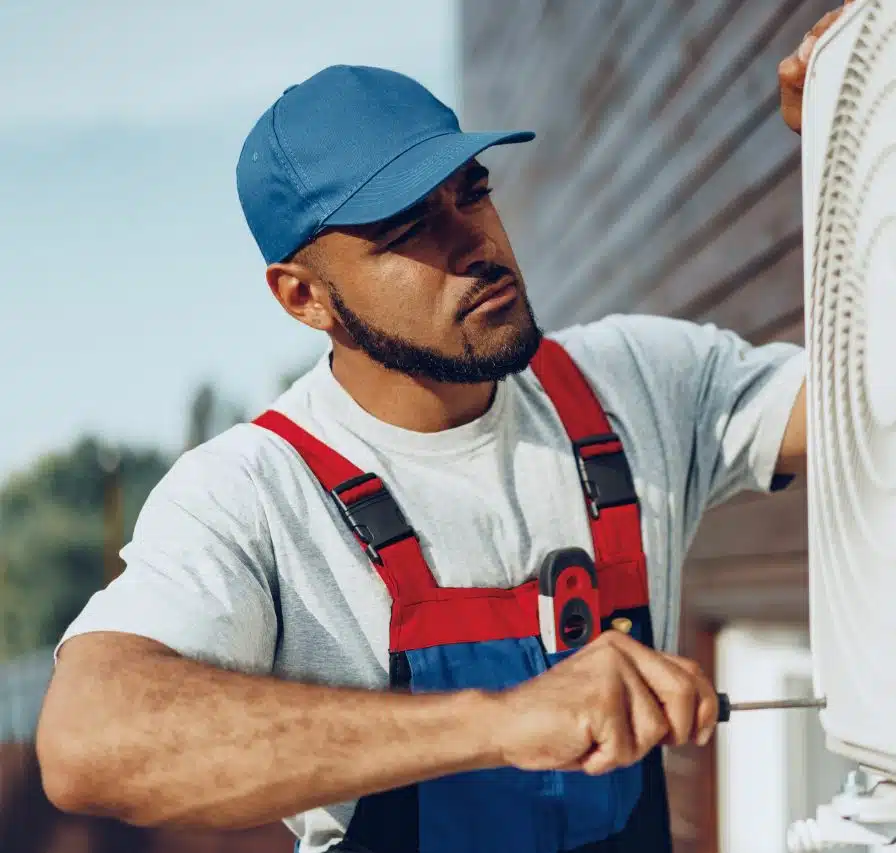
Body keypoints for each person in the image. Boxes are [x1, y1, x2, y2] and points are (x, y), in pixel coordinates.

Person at [36, 4, 853, 852]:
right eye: (407, 230)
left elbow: (893, 401)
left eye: (472, 192)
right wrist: (499, 722)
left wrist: (849, 145)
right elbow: (86, 740)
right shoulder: (252, 493)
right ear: (303, 297)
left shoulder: (636, 383)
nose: (475, 244)